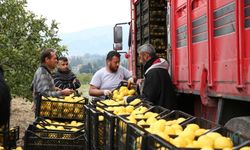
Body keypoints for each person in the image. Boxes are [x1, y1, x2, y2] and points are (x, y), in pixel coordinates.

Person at [137, 44, 177, 110]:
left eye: (140, 56)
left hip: (160, 112)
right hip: (167, 108)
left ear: (146, 55)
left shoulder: (153, 72)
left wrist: (129, 99)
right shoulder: (160, 69)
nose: (139, 59)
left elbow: (149, 97)